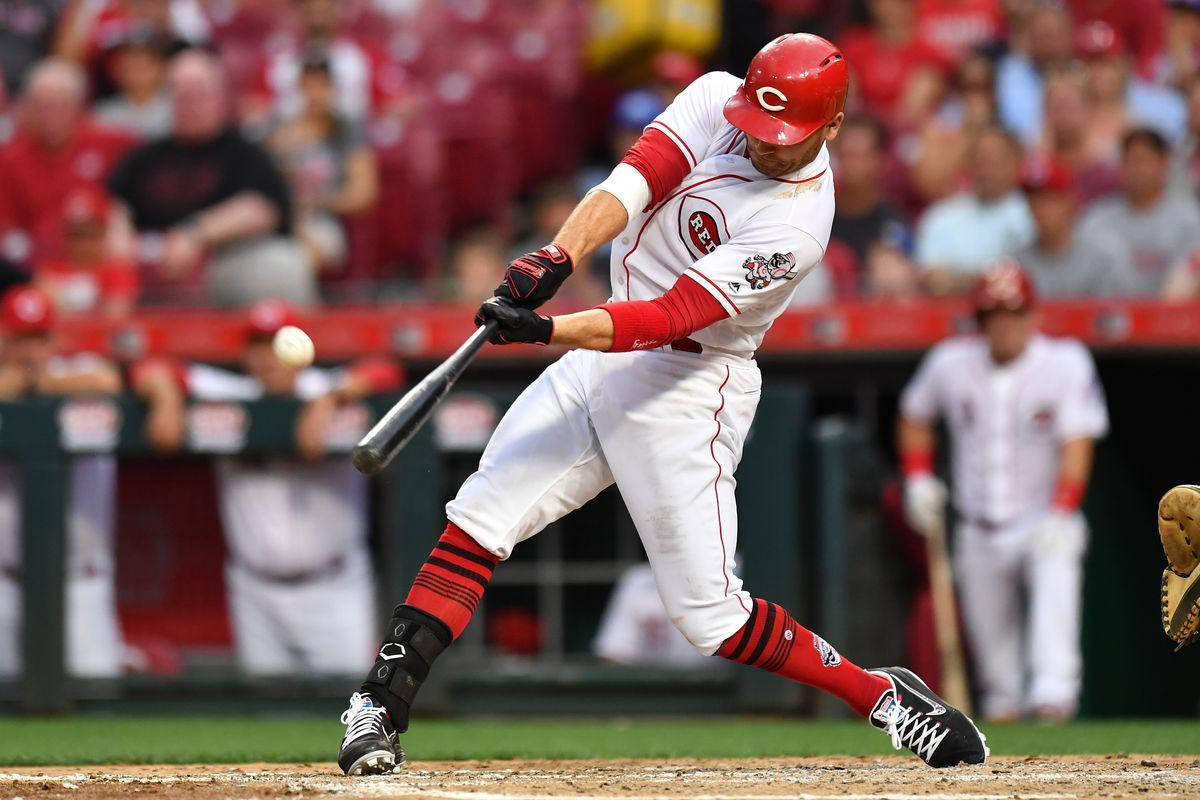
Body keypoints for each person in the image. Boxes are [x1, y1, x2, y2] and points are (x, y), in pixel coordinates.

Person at [336, 33, 988, 776]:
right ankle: (378, 707)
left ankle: (882, 696)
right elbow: (634, 181)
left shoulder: (799, 224)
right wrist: (557, 256)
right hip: (600, 353)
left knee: (712, 619)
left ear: (832, 127)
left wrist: (549, 328)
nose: (758, 142)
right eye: (756, 120)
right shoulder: (718, 99)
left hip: (687, 386)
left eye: (782, 137)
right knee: (480, 517)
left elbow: (669, 317)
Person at [132, 299, 402, 675]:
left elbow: (387, 371)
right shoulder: (229, 392)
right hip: (254, 590)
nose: (267, 357)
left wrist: (332, 399)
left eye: (276, 343)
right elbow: (150, 366)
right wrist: (166, 395)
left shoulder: (326, 387)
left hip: (334, 588)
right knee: (264, 715)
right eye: (257, 345)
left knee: (352, 705)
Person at [897, 263, 1109, 721]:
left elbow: (1079, 440)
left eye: (1014, 312)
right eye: (994, 314)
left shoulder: (1065, 361)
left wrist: (1063, 509)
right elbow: (914, 415)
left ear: (1033, 315)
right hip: (978, 526)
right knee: (998, 680)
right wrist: (917, 477)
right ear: (980, 321)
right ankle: (1006, 739)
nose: (1004, 324)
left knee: (1054, 614)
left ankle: (1056, 706)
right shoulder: (950, 362)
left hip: (1044, 518)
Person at [107, 49, 312, 306]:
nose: (188, 104)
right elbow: (117, 204)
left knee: (280, 264)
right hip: (149, 267)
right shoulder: (145, 155)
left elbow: (262, 210)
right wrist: (122, 245)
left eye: (197, 94)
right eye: (179, 95)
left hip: (224, 262)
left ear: (220, 97)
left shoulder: (244, 153)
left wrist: (194, 235)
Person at [0, 285, 126, 678]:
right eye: (20, 339)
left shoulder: (80, 371)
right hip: (5, 583)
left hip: (79, 582)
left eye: (39, 339)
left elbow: (109, 381)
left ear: (55, 340)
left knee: (97, 698)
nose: (30, 352)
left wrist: (38, 386)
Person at [0, 59, 133, 274]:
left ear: (78, 107)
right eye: (41, 106)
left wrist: (122, 222)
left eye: (59, 105)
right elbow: (6, 228)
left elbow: (145, 182)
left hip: (101, 264)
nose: (49, 116)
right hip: (39, 269)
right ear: (27, 108)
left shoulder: (112, 143)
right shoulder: (10, 157)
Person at [266, 54, 379, 275]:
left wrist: (318, 202)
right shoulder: (281, 130)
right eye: (309, 86)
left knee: (302, 253)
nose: (315, 94)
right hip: (283, 219)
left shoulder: (348, 132)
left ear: (333, 88)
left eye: (322, 86)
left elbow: (364, 194)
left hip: (327, 221)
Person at [1078, 128, 1200, 296]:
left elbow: (1189, 275)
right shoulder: (1096, 218)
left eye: (1144, 161)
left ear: (1164, 164)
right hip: (1108, 315)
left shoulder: (1189, 220)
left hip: (1172, 316)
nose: (1137, 170)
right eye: (1131, 161)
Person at [914, 126, 1034, 294]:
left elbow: (1030, 278)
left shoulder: (1032, 213)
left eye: (997, 160)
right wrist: (988, 281)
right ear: (968, 165)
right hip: (953, 313)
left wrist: (962, 281)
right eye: (981, 160)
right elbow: (934, 280)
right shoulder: (941, 215)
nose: (988, 170)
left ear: (1016, 163)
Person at [1016, 158, 1134, 297]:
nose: (1040, 209)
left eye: (1049, 200)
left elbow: (1115, 314)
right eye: (1033, 201)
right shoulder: (1019, 264)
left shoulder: (1102, 256)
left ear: (1069, 201)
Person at [35, 186, 138, 317]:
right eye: (76, 235)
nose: (83, 244)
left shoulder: (116, 272)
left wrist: (66, 307)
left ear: (103, 234)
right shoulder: (50, 271)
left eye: (90, 235)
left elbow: (116, 317)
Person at [93, 25, 173, 140]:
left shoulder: (177, 111)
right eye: (127, 60)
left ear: (162, 67)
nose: (134, 66)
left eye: (144, 60)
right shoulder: (104, 115)